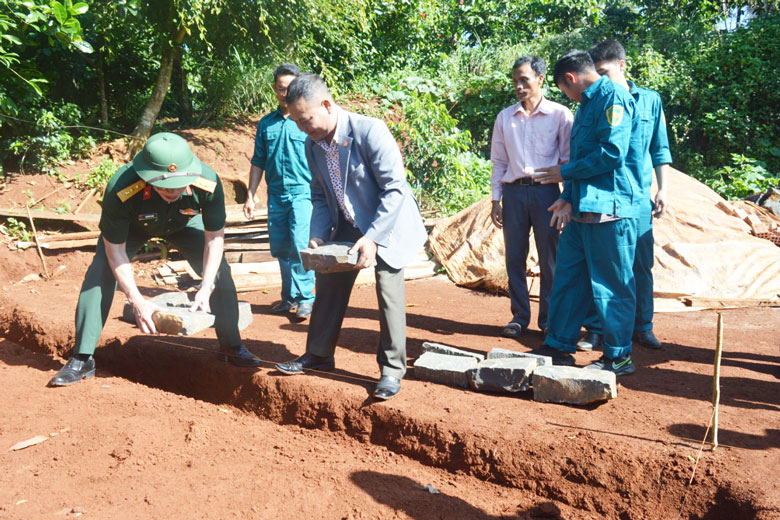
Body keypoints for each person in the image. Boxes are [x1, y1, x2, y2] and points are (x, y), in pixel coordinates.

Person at [48, 133, 261, 387]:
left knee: (220, 275)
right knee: (100, 273)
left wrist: (206, 286)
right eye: (164, 186)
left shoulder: (208, 182)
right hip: (134, 226)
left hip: (184, 223)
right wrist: (137, 300)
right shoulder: (122, 188)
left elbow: (214, 239)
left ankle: (232, 346)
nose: (172, 191)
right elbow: (114, 250)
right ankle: (83, 358)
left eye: (179, 185)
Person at [274, 74, 427, 400]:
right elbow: (318, 194)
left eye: (306, 119)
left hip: (389, 221)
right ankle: (318, 354)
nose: (303, 128)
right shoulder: (311, 145)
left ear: (327, 105)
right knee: (328, 281)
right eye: (298, 122)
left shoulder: (369, 131)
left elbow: (394, 189)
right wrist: (317, 234)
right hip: (346, 221)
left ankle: (391, 370)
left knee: (388, 290)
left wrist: (373, 238)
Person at [531, 50, 641, 376]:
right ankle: (559, 344)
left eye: (564, 90)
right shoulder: (585, 105)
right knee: (568, 277)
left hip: (610, 209)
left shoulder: (613, 98)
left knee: (612, 285)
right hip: (582, 209)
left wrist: (564, 172)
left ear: (570, 79)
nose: (567, 95)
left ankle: (618, 356)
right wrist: (568, 199)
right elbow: (584, 158)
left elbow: (613, 153)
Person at [575, 40, 673, 352]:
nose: (602, 80)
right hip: (604, 196)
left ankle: (643, 327)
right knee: (599, 266)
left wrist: (664, 190)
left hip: (638, 198)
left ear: (622, 66)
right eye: (597, 74)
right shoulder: (592, 102)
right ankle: (595, 328)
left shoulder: (650, 101)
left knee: (640, 265)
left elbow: (660, 149)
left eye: (605, 72)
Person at [489, 56, 573, 339]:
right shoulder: (505, 117)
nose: (518, 86)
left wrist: (564, 189)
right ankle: (519, 317)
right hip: (512, 194)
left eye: (524, 79)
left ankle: (549, 320)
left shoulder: (561, 115)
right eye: (515, 81)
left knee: (551, 259)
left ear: (540, 79)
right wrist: (495, 200)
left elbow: (569, 160)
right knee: (514, 257)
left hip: (546, 194)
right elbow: (499, 162)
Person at [244, 63, 315, 320]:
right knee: (282, 248)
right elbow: (258, 161)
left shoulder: (306, 121)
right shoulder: (266, 124)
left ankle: (306, 298)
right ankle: (289, 298)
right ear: (274, 89)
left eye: (290, 89)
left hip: (302, 193)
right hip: (276, 195)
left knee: (299, 247)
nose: (284, 94)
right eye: (280, 89)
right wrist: (251, 195)